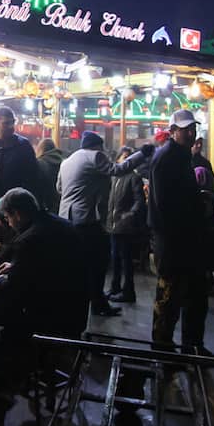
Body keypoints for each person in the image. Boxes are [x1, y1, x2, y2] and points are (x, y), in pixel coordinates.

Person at [0, 188, 86, 386]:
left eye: (8, 217)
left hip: (48, 314)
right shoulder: (60, 225)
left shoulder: (30, 239)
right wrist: (16, 267)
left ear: (17, 214)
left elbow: (13, 292)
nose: (8, 222)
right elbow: (45, 268)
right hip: (75, 309)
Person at [57, 131, 151, 317]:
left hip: (66, 218)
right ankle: (98, 304)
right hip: (86, 219)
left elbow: (59, 188)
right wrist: (142, 153)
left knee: (77, 263)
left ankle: (80, 301)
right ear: (98, 146)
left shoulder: (67, 161)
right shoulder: (95, 156)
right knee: (99, 262)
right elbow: (118, 170)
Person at [149, 110, 214, 349]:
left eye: (193, 128)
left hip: (186, 241)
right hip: (173, 243)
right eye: (185, 129)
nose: (191, 133)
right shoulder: (166, 158)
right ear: (173, 131)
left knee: (195, 297)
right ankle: (163, 351)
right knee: (169, 300)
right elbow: (164, 205)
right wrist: (197, 204)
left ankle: (192, 346)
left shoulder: (180, 156)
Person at [107, 146, 148, 304]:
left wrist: (129, 215)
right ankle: (114, 288)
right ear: (118, 160)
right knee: (115, 258)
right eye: (125, 158)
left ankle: (128, 291)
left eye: (129, 158)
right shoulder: (114, 177)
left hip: (125, 226)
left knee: (125, 259)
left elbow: (139, 201)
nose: (127, 161)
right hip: (113, 224)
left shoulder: (133, 178)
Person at [35, 137, 66, 213]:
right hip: (63, 205)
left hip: (47, 205)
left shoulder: (39, 163)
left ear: (40, 149)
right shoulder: (65, 162)